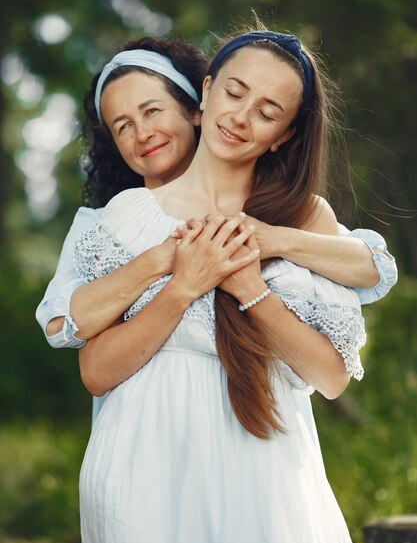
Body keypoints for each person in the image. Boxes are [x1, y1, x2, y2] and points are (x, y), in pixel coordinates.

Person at [74, 28, 377, 543]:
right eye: (234, 93)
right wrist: (183, 284)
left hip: (265, 466)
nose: (240, 117)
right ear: (206, 91)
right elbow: (95, 372)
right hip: (142, 469)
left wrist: (250, 289)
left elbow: (331, 376)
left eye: (267, 111)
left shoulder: (304, 218)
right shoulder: (128, 218)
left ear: (285, 135)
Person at [36, 36, 397, 428]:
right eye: (123, 126)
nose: (143, 134)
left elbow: (367, 275)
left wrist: (257, 273)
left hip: (266, 455)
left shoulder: (296, 212)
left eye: (153, 111)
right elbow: (70, 336)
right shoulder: (121, 218)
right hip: (143, 444)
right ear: (208, 92)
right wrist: (174, 271)